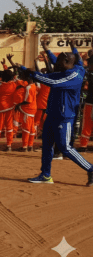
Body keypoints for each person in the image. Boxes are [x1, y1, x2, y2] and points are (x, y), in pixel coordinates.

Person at [19, 40, 93, 186]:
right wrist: (48, 49)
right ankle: (45, 175)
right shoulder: (70, 67)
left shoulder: (74, 75)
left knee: (65, 147)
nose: (55, 64)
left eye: (58, 62)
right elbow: (67, 59)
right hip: (52, 113)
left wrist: (31, 73)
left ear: (67, 62)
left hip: (64, 117)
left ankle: (90, 169)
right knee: (47, 145)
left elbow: (52, 82)